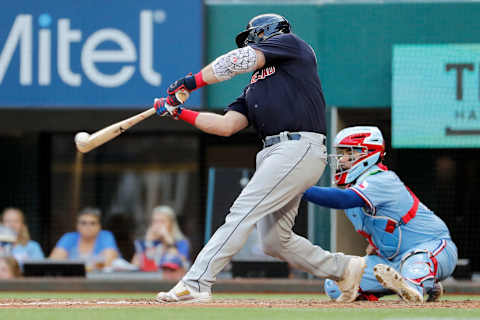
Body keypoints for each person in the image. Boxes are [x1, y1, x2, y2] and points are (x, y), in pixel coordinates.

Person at [154, 13, 366, 303]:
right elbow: (226, 125)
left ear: (266, 32)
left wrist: (191, 82)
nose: (250, 45)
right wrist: (180, 112)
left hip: (297, 145)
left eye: (252, 39)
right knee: (274, 240)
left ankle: (197, 282)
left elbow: (239, 61)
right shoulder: (255, 87)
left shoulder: (292, 46)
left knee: (242, 213)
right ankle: (343, 268)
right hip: (275, 153)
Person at [303, 126, 458, 303]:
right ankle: (421, 283)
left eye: (348, 152)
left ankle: (417, 285)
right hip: (393, 260)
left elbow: (342, 199)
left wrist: (299, 188)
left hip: (436, 247)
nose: (341, 159)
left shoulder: (382, 179)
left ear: (367, 154)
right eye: (341, 153)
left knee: (416, 260)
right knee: (335, 284)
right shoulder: (354, 187)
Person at [49, 207, 120, 271]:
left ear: (99, 226)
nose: (88, 227)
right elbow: (54, 263)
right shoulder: (69, 238)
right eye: (83, 223)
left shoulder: (106, 236)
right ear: (77, 225)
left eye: (93, 223)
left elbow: (108, 262)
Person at [132, 205, 190, 280]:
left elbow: (179, 263)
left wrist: (168, 240)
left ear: (171, 224)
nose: (158, 225)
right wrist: (147, 243)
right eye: (155, 221)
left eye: (162, 221)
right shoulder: (146, 242)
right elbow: (135, 265)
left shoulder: (181, 242)